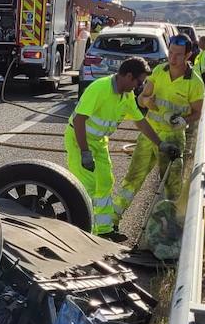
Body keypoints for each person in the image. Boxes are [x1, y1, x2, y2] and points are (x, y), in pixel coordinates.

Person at [65, 57, 164, 239]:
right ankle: (84, 232)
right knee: (88, 185)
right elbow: (79, 120)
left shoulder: (126, 96)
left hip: (99, 142)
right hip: (79, 140)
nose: (139, 86)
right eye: (138, 81)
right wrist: (85, 152)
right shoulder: (99, 89)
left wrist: (161, 144)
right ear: (128, 76)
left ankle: (103, 231)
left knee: (105, 182)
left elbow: (141, 122)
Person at [111, 34, 205, 225]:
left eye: (178, 55)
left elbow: (197, 113)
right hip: (150, 134)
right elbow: (140, 99)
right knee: (133, 178)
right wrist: (147, 101)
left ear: (188, 55)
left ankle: (168, 229)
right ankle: (111, 220)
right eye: (170, 52)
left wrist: (183, 121)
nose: (172, 58)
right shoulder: (159, 72)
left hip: (173, 138)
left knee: (171, 186)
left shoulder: (195, 83)